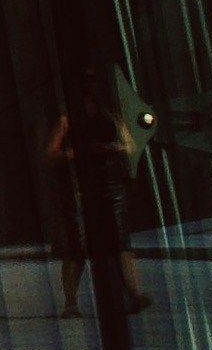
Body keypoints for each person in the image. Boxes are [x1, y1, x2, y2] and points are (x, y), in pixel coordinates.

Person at [43, 64, 150, 319]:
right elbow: (50, 154)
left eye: (92, 80)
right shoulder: (67, 118)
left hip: (109, 183)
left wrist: (110, 149)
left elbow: (128, 144)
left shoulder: (108, 116)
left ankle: (132, 293)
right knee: (78, 244)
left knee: (120, 239)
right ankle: (70, 302)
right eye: (85, 81)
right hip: (78, 187)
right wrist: (79, 154)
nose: (89, 86)